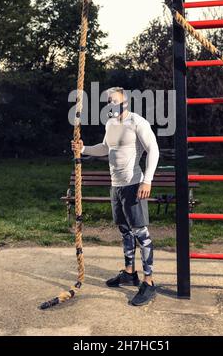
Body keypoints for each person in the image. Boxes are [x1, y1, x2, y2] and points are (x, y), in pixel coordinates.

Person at [71, 87, 159, 306]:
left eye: (116, 101)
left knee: (141, 233)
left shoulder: (137, 122)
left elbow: (153, 150)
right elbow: (105, 148)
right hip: (116, 186)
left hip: (134, 184)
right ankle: (129, 273)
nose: (112, 104)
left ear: (126, 102)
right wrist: (84, 149)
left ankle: (148, 282)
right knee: (124, 230)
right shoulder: (110, 124)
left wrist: (147, 180)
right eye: (109, 101)